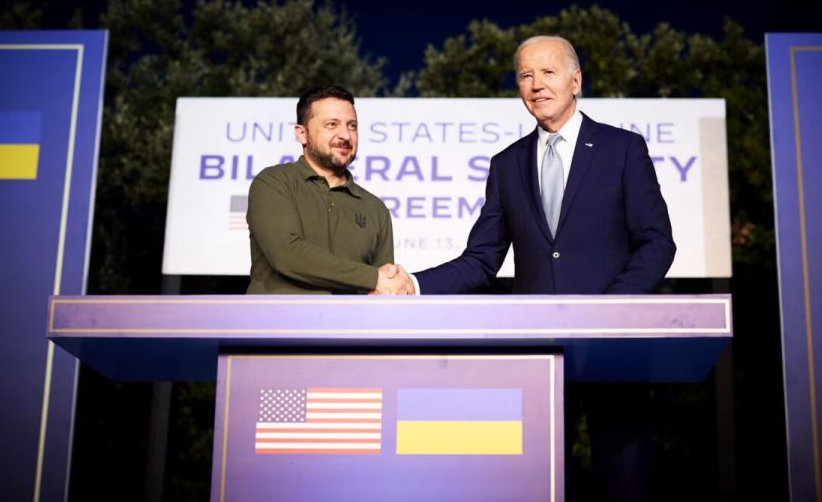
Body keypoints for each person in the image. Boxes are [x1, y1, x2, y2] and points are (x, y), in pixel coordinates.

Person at [395, 36, 676, 501]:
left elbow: (656, 241)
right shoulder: (506, 165)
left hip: (614, 346)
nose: (536, 84)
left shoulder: (623, 148)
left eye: (548, 72)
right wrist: (414, 284)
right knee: (537, 483)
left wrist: (607, 311)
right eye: (526, 75)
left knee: (625, 479)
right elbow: (482, 259)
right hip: (538, 355)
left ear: (575, 81)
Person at [246, 85, 410, 295]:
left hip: (349, 318)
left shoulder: (375, 208)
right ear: (302, 134)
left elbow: (384, 288)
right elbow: (287, 254)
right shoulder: (273, 182)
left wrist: (384, 283)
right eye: (332, 124)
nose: (345, 135)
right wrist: (372, 278)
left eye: (352, 126)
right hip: (278, 317)